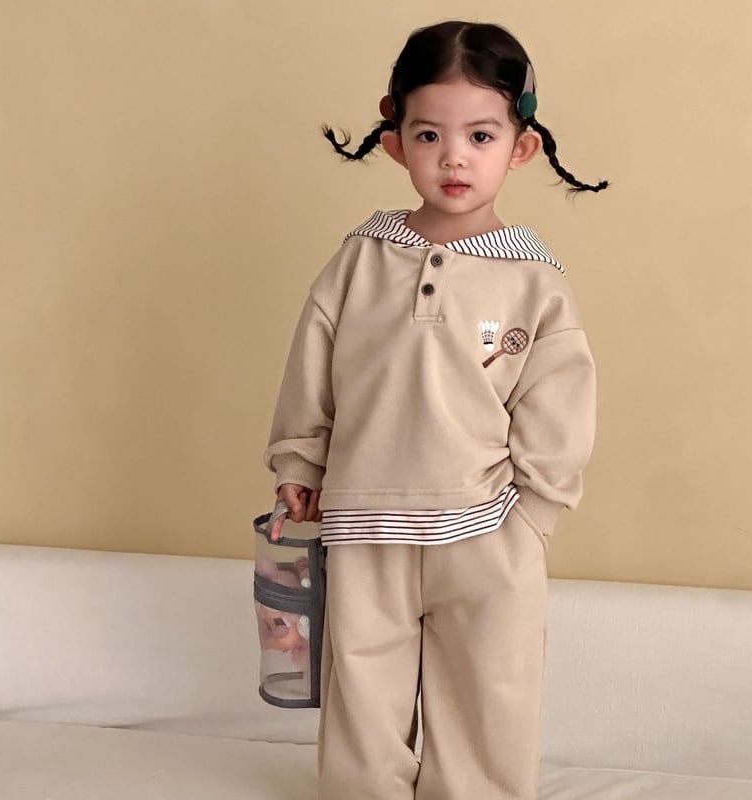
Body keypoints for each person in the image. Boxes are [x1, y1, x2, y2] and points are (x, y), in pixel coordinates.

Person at [263, 19, 603, 800]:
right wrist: (299, 464)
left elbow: (559, 407)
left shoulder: (535, 280)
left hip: (488, 531)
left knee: (490, 689)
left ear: (521, 146)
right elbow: (313, 370)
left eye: (480, 135)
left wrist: (532, 517)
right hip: (365, 522)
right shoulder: (359, 259)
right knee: (362, 685)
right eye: (429, 135)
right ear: (395, 142)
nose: (454, 157)